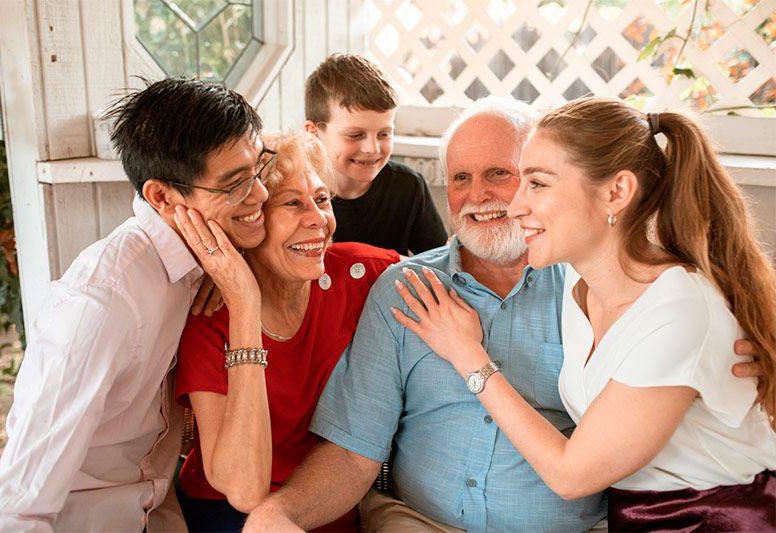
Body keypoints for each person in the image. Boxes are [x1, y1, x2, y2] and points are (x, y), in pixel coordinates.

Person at [242, 96, 766, 532]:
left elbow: (576, 470)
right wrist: (281, 511)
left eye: (508, 176)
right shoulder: (407, 287)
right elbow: (355, 453)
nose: (485, 198)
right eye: (460, 179)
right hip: (419, 522)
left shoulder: (598, 288)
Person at [393, 97, 776, 531]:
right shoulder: (580, 289)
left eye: (536, 183)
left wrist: (468, 355)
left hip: (716, 521)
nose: (516, 206)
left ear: (616, 192)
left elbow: (570, 475)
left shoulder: (678, 312)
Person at [0, 78, 271, 531]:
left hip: (160, 512)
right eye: (235, 185)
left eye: (258, 168)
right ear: (161, 197)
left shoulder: (204, 259)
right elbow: (16, 510)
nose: (261, 195)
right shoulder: (100, 304)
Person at [173, 132, 401, 532]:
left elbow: (453, 268)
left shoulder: (359, 275)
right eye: (293, 203)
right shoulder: (210, 317)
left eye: (322, 199)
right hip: (229, 514)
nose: (318, 219)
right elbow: (243, 490)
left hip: (325, 502)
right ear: (251, 221)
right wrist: (245, 304)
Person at [304, 53, 447, 255]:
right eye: (355, 135)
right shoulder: (296, 192)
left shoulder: (408, 187)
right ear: (313, 132)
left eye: (384, 134)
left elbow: (439, 261)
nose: (372, 148)